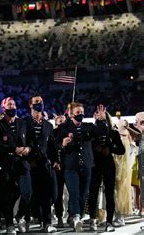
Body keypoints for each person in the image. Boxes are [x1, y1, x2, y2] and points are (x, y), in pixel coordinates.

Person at [55, 103, 108, 232]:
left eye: (82, 112)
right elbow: (54, 144)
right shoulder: (63, 127)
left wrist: (102, 120)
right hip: (70, 166)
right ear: (71, 114)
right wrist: (62, 144)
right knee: (74, 192)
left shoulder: (89, 127)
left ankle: (75, 215)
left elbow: (102, 132)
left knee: (83, 194)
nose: (81, 114)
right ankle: (77, 217)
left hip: (87, 165)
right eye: (78, 112)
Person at [0, 97, 29, 234]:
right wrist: (14, 149)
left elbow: (29, 140)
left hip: (23, 163)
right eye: (9, 105)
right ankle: (9, 224)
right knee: (7, 194)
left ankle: (19, 216)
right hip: (6, 164)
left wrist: (28, 149)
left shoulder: (23, 123)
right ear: (3, 108)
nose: (12, 107)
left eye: (14, 104)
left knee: (26, 192)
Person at [24, 95, 58, 233]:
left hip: (44, 165)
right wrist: (28, 160)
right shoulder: (23, 123)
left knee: (48, 194)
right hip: (28, 164)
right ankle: (26, 220)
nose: (40, 104)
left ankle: (47, 222)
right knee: (29, 194)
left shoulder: (48, 125)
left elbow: (52, 145)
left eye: (41, 102)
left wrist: (55, 160)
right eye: (37, 102)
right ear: (30, 105)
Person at [87, 112, 125, 232]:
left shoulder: (113, 133)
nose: (98, 116)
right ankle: (93, 219)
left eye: (101, 115)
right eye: (96, 115)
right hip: (95, 166)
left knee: (109, 194)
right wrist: (95, 148)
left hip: (108, 165)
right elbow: (86, 145)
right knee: (93, 193)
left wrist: (110, 149)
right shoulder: (91, 132)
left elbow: (121, 150)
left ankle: (109, 221)